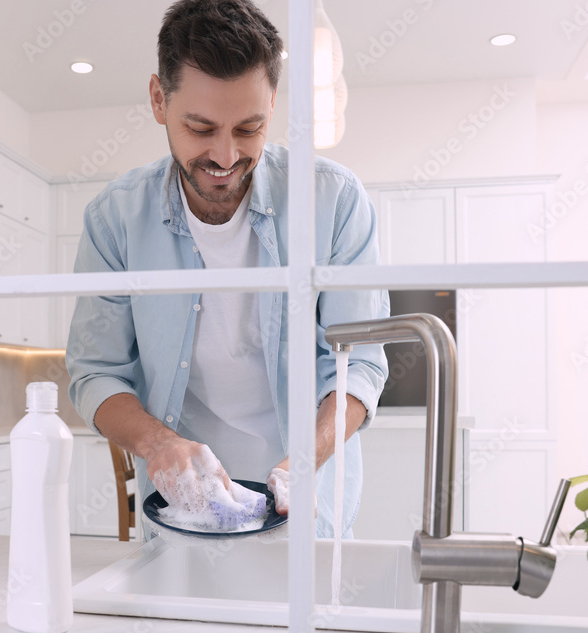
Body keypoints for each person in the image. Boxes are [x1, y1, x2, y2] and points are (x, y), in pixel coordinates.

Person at [65, 0, 388, 538]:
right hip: (181, 512)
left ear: (273, 105)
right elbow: (95, 371)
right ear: (157, 100)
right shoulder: (114, 219)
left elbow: (359, 367)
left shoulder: (335, 201)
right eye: (200, 127)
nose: (225, 155)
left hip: (308, 506)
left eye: (249, 128)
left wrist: (303, 463)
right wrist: (157, 444)